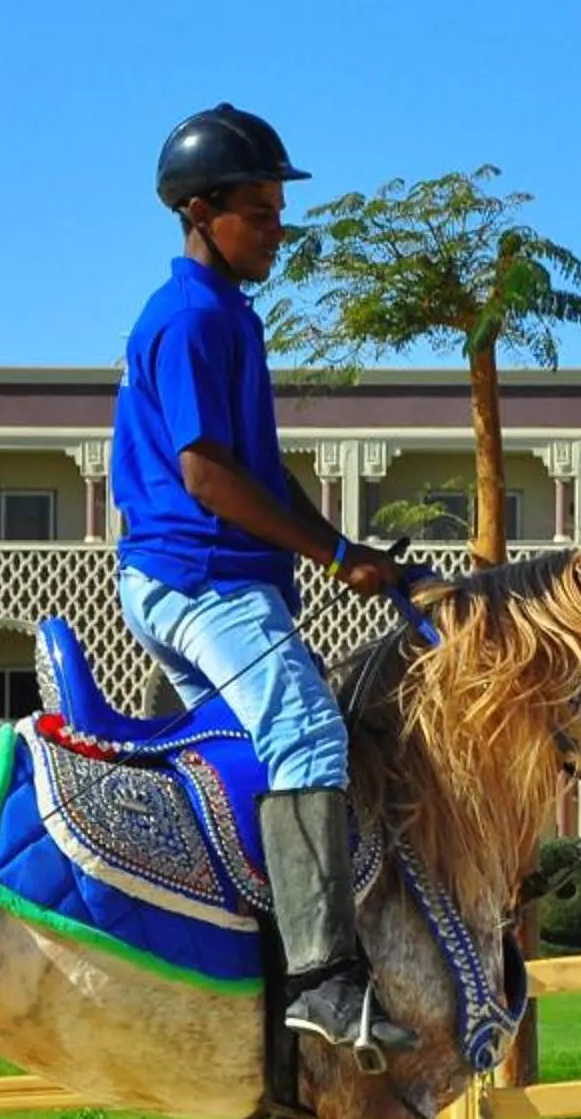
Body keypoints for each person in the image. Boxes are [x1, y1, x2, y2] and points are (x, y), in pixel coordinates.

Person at [112, 102, 418, 1067]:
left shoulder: (229, 317)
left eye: (281, 211)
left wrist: (344, 547)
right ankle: (324, 981)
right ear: (201, 210)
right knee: (309, 733)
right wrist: (332, 558)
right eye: (262, 211)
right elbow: (208, 477)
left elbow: (262, 470)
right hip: (200, 579)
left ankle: (232, 958)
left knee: (248, 764)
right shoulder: (192, 318)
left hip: (207, 579)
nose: (280, 231)